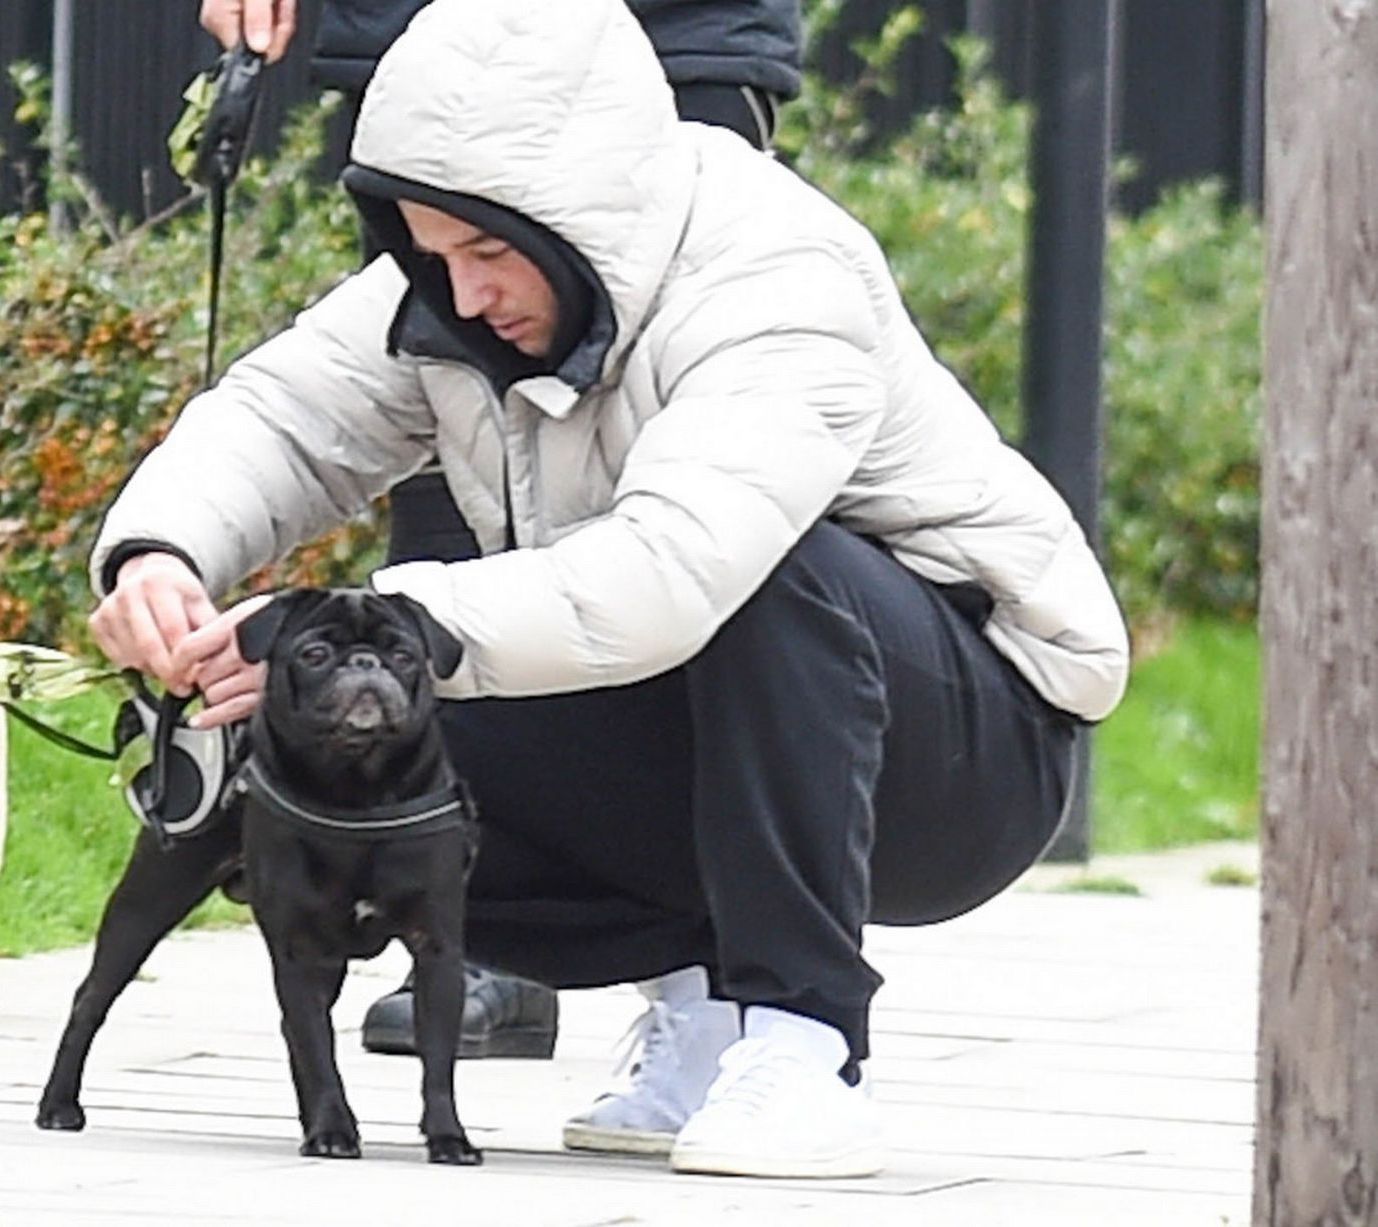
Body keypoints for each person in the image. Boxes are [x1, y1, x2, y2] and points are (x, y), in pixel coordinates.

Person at [93, 0, 1129, 1179]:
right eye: (431, 255)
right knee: (365, 731)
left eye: (486, 254)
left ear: (579, 206)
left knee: (766, 575)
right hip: (719, 721)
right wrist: (158, 555)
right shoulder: (454, 283)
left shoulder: (775, 272)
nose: (463, 293)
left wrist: (406, 622)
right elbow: (283, 417)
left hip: (963, 760)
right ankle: (697, 1016)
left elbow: (676, 571)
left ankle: (805, 1048)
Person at [194, 0, 804, 1063]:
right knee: (460, 372)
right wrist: (161, 546)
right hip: (419, 29)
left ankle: (714, 981)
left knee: (667, 485)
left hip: (671, 30)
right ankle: (466, 915)